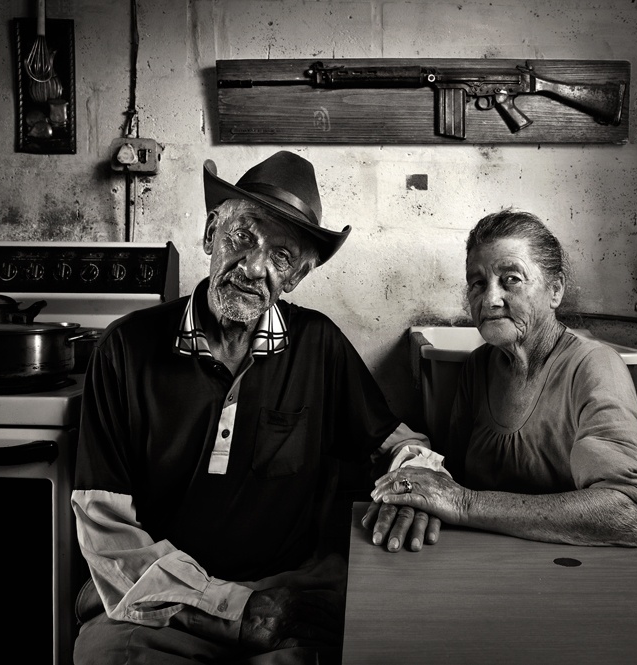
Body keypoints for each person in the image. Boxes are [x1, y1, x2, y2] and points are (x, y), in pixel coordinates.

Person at [70, 150, 445, 664]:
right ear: (211, 234)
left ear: (295, 277)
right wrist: (234, 610)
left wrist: (415, 486)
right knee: (105, 656)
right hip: (165, 602)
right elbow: (107, 534)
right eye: (242, 238)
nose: (253, 267)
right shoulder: (125, 349)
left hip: (286, 592)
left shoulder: (318, 344)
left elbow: (402, 445)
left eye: (281, 256)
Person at [369, 208, 637, 548]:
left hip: (572, 566)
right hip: (484, 558)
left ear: (555, 291)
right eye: (478, 283)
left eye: (512, 279)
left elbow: (626, 512)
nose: (490, 300)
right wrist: (417, 501)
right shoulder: (479, 367)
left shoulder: (594, 367)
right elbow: (450, 481)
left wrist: (464, 504)